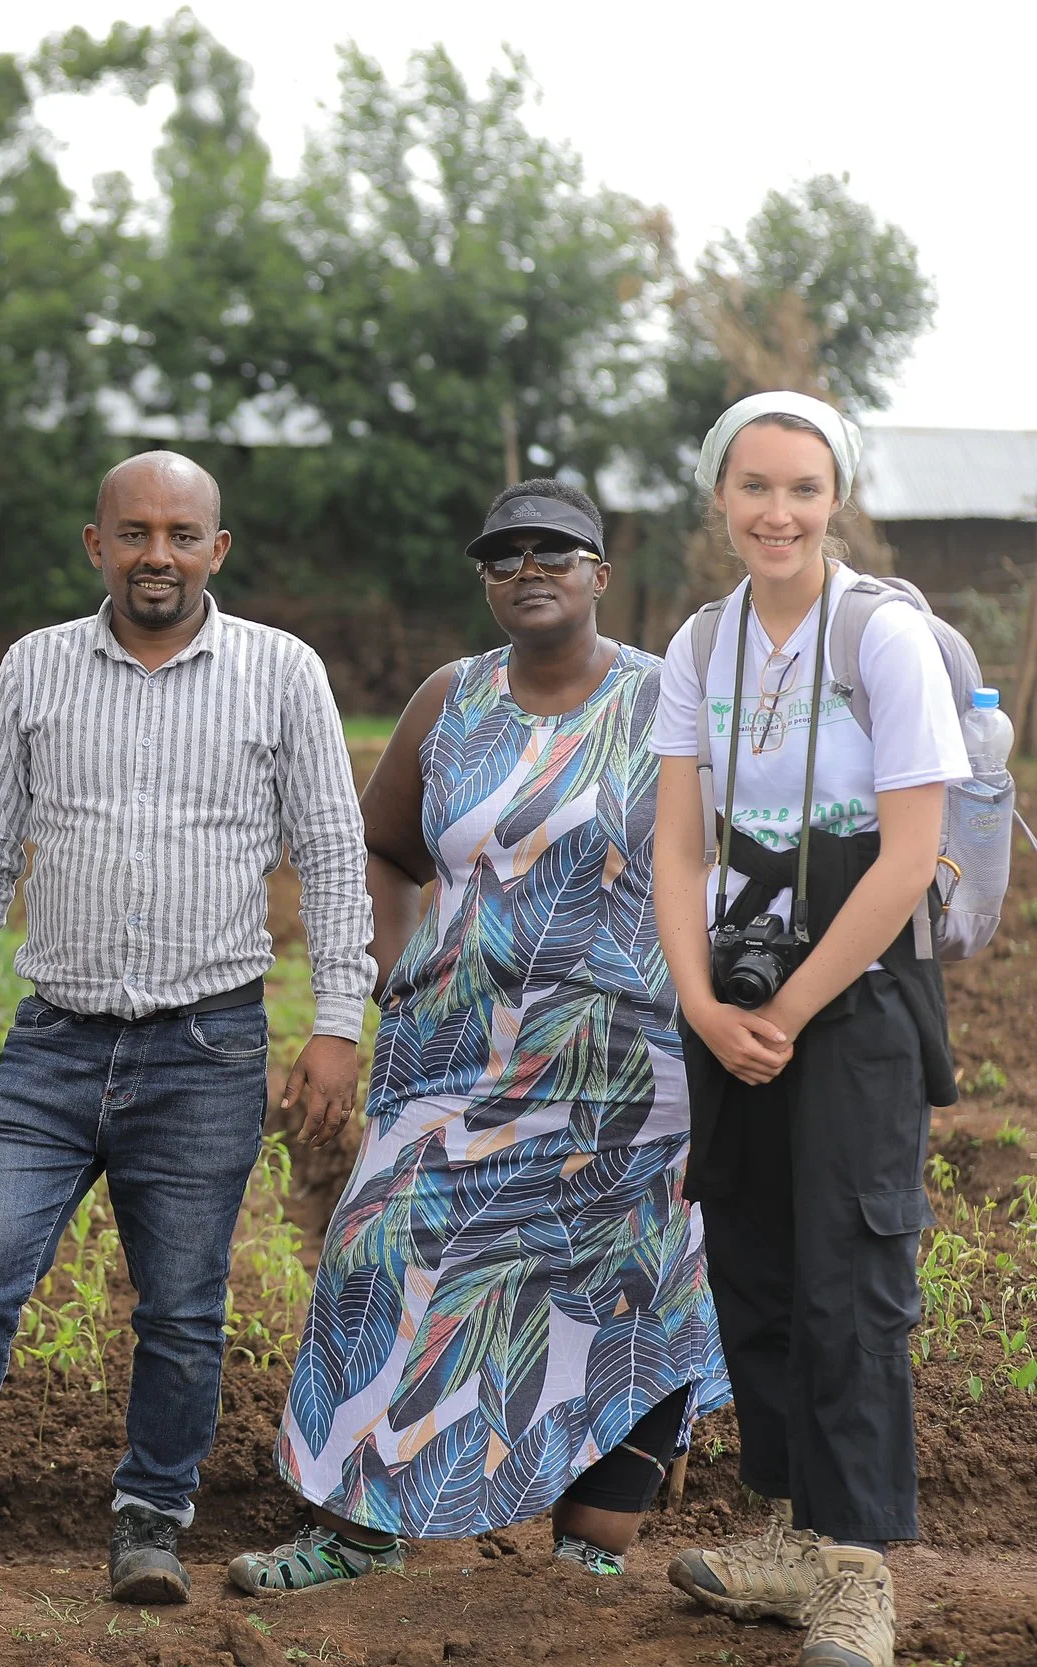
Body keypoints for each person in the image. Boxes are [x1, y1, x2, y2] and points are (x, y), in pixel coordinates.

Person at [0, 452, 376, 1629]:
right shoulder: (35, 666)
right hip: (54, 1042)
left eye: (179, 534)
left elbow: (332, 853)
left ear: (216, 549)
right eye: (133, 533)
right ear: (96, 544)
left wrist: (337, 1022)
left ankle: (150, 1520)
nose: (155, 554)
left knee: (181, 1307)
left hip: (206, 1045)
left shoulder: (280, 671)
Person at [228, 480, 728, 1595]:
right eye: (503, 555)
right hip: (454, 1058)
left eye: (555, 550)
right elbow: (384, 848)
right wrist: (392, 972)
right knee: (379, 1251)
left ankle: (592, 1544)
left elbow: (738, 856)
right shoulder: (448, 700)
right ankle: (358, 1527)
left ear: (600, 573)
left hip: (631, 1068)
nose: (527, 569)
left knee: (630, 1281)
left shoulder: (671, 700)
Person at [650, 394, 966, 1667]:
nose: (776, 512)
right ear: (719, 496)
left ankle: (857, 1572)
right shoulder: (699, 642)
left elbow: (909, 855)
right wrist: (702, 1004)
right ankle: (790, 1530)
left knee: (851, 1274)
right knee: (754, 1259)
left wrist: (785, 1010)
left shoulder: (880, 634)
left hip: (858, 990)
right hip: (734, 984)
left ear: (836, 498)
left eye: (801, 488)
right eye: (753, 487)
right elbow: (678, 846)